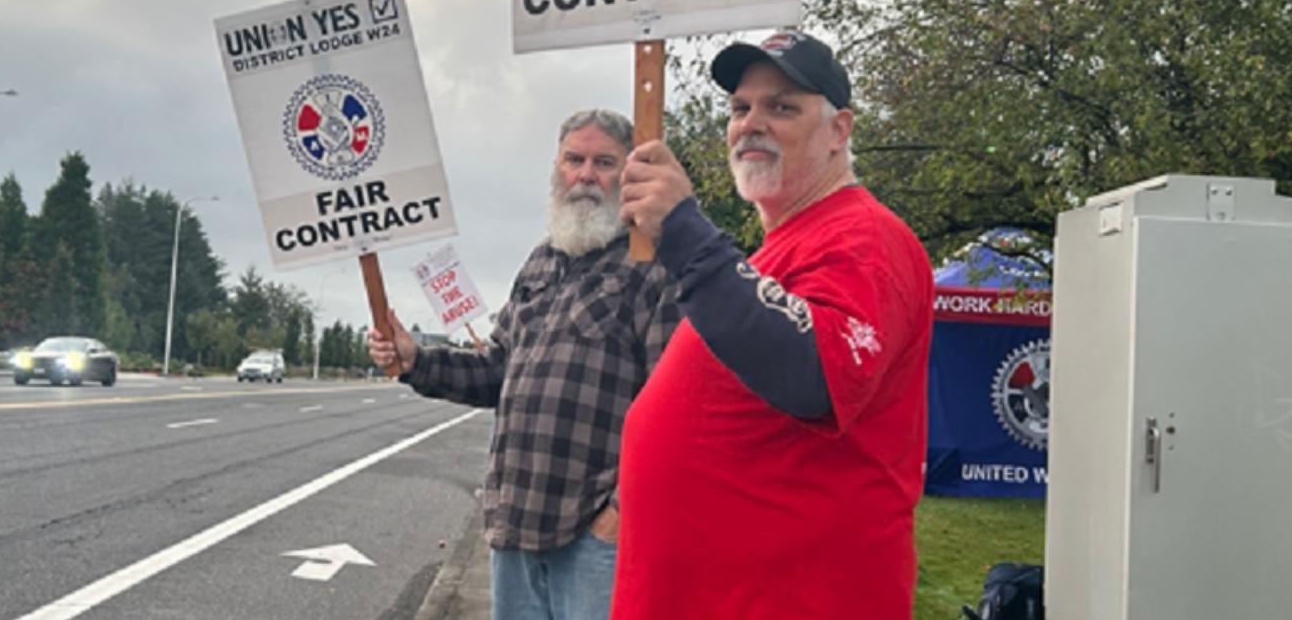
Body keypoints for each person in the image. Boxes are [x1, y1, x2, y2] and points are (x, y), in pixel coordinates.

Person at [612, 31, 934, 620]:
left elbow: (812, 374)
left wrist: (686, 234)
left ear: (839, 131)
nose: (751, 123)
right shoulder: (778, 253)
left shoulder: (866, 239)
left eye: (781, 106)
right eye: (740, 108)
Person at [369, 108, 680, 620]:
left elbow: (675, 405)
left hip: (595, 537)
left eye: (603, 162)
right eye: (573, 160)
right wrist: (415, 361)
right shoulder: (539, 262)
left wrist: (622, 512)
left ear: (628, 174)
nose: (585, 175)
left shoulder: (653, 264)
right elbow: (497, 369)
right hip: (515, 523)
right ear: (556, 168)